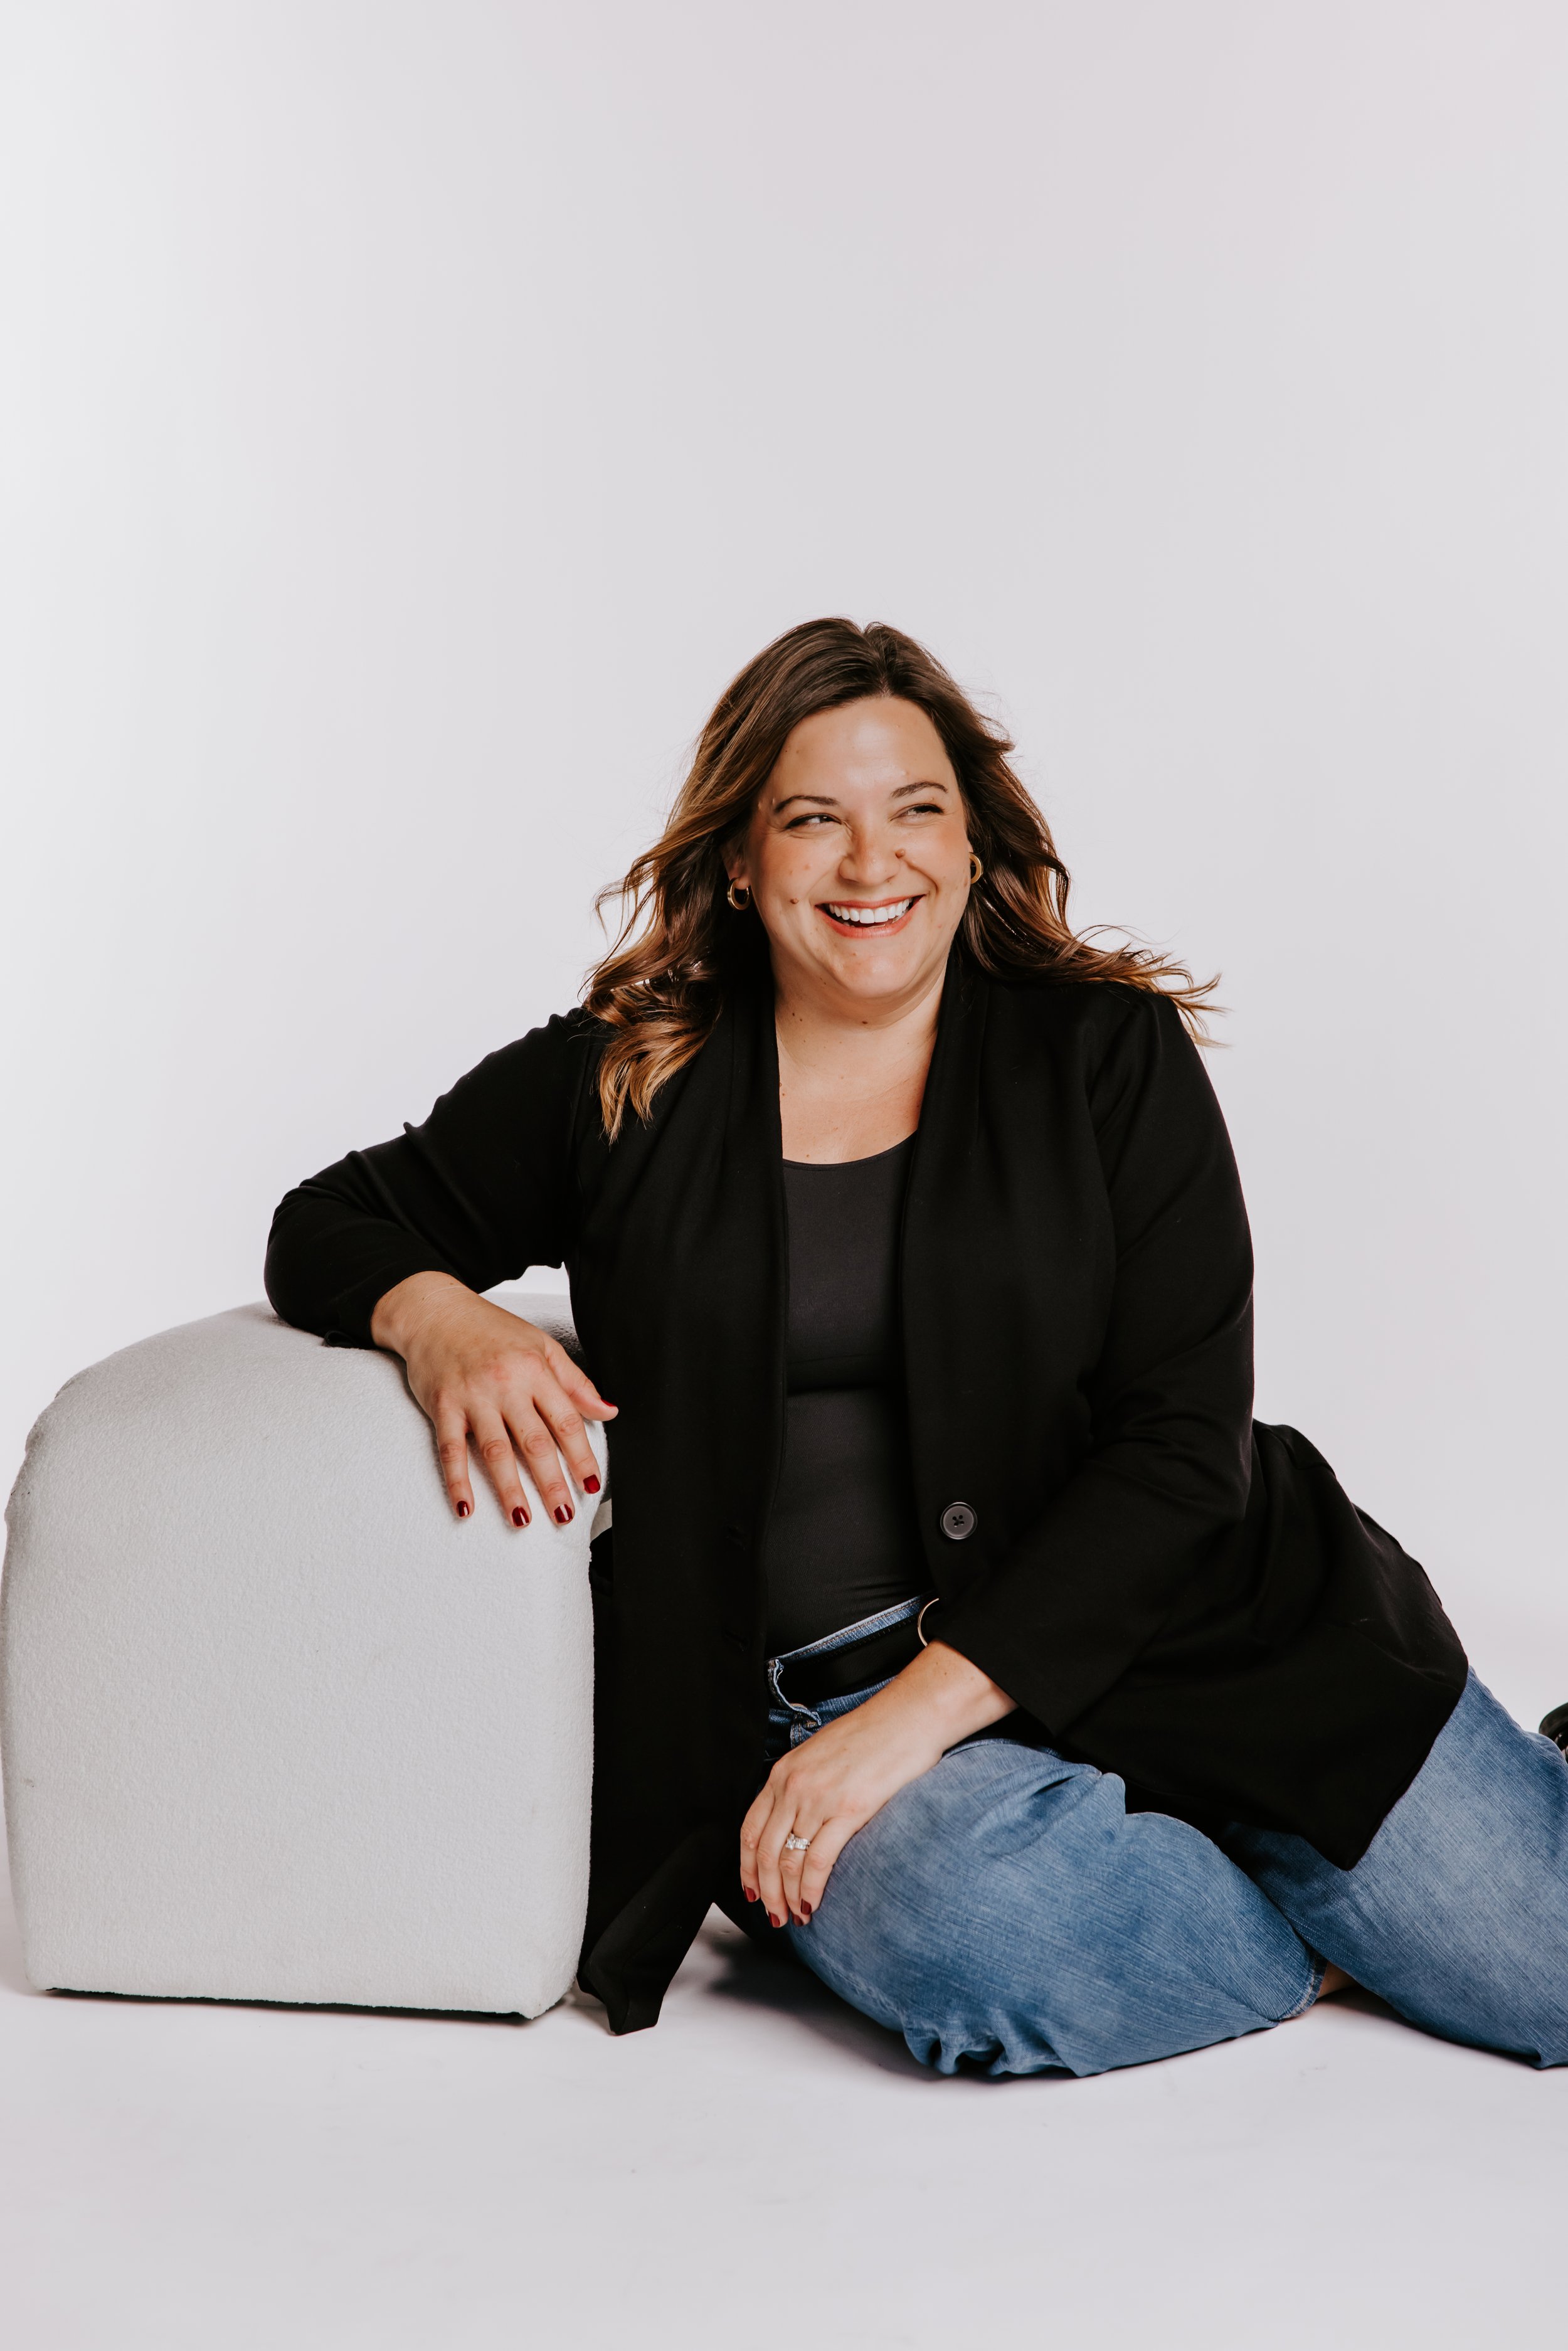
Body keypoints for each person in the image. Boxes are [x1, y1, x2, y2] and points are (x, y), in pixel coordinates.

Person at [266, 618, 1568, 2075]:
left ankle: (1420, 1814)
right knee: (992, 1934)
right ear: (740, 858)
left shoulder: (1104, 1052)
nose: (868, 862)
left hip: (1199, 1632)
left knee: (1554, 1979)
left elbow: (1180, 1443)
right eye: (811, 819)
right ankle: (1302, 1929)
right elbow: (327, 1219)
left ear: (969, 842)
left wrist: (918, 1712)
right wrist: (440, 1317)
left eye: (914, 811)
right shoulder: (620, 1074)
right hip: (816, 1708)